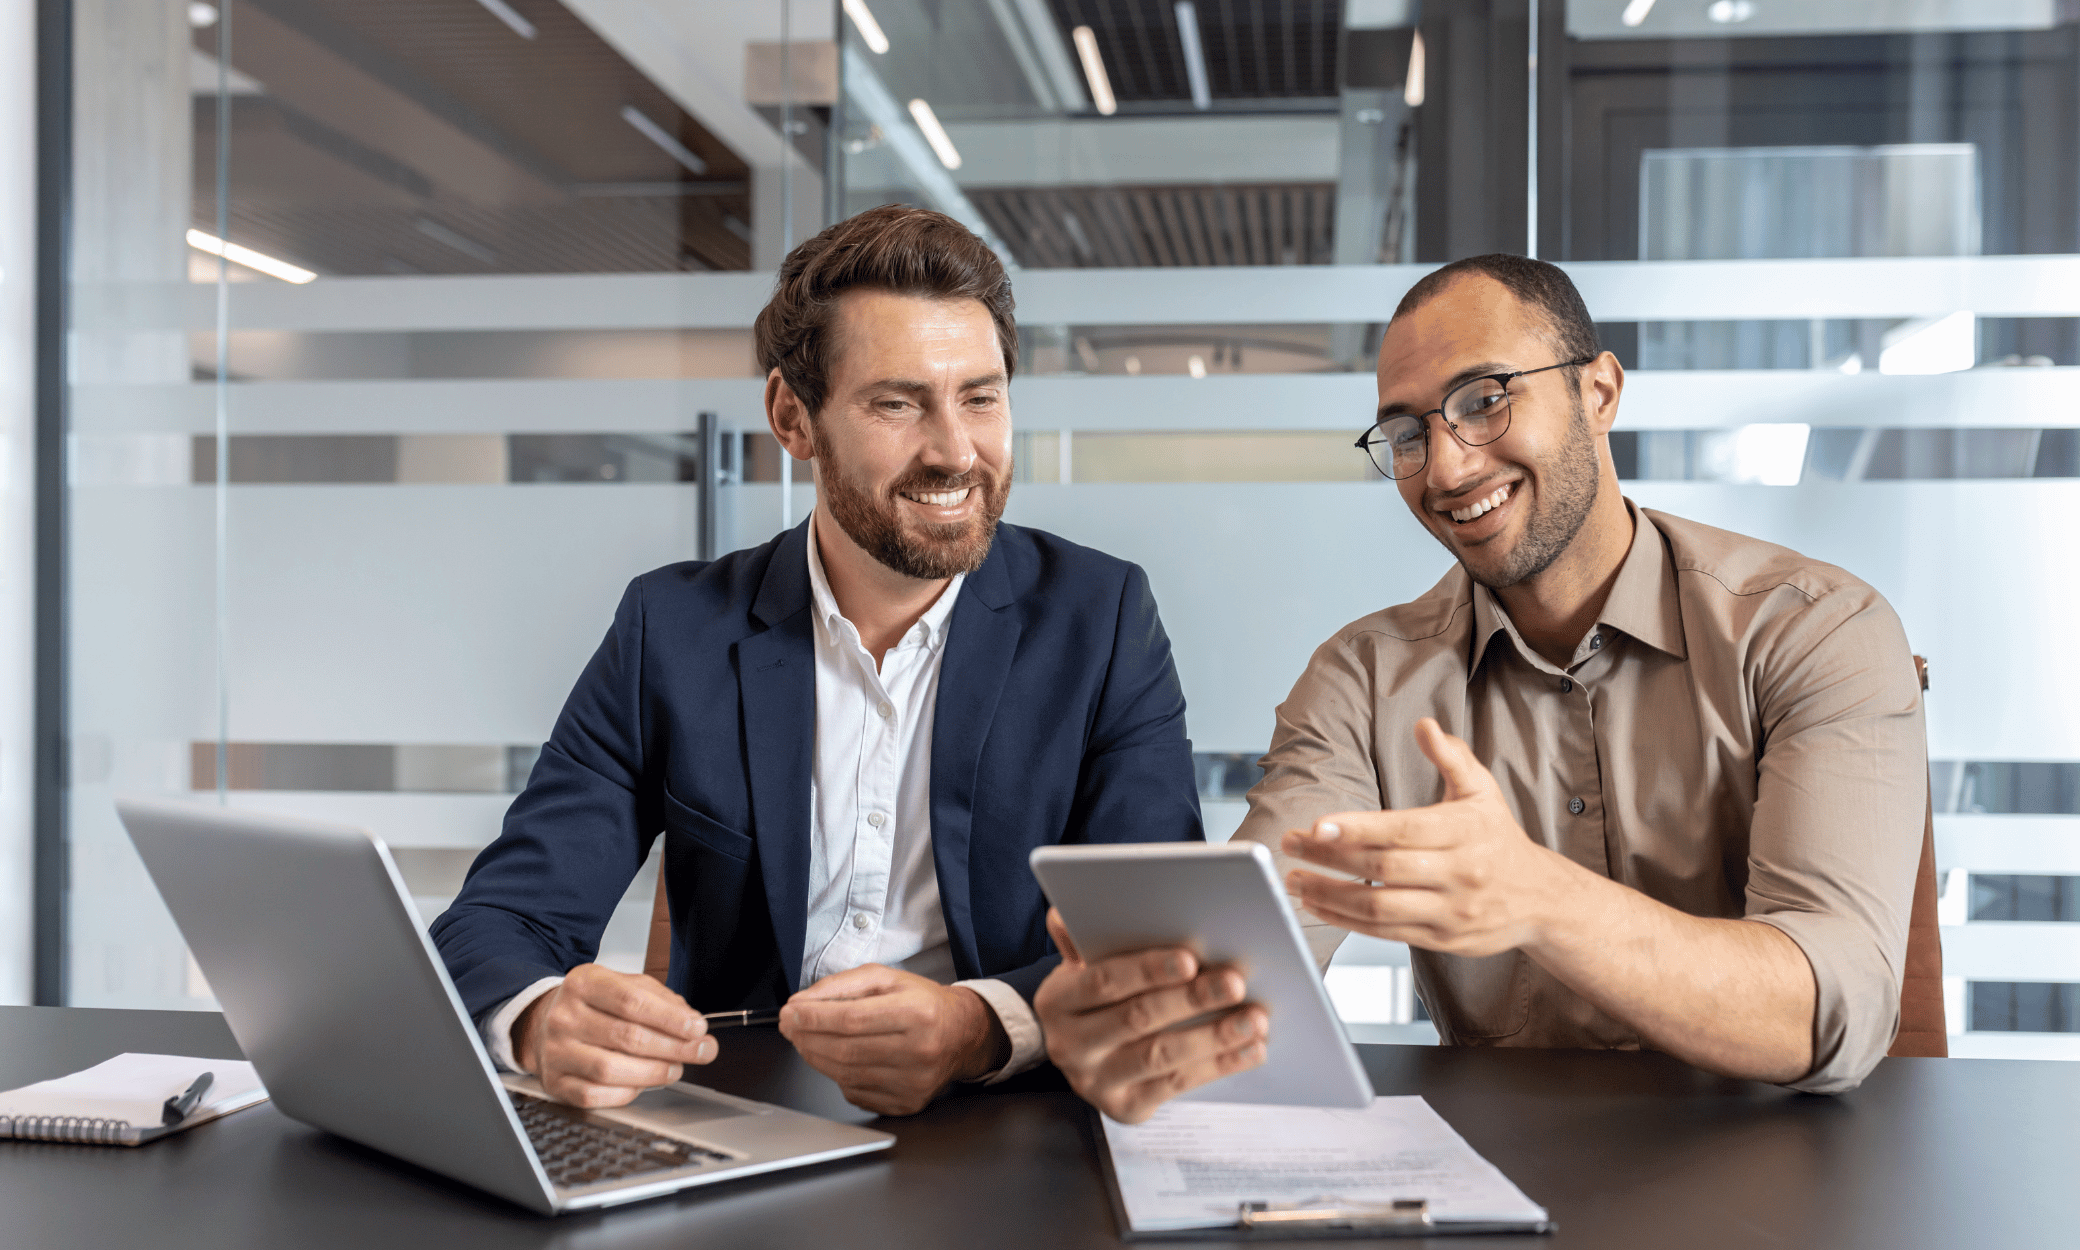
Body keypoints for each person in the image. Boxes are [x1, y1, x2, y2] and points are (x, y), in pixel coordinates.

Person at [1036, 253, 1926, 1123]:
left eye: (1485, 401)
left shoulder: (1814, 629)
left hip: (1778, 1183)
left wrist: (1537, 896)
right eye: (1410, 433)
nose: (1448, 469)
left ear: (1600, 391)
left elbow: (1836, 1008)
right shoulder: (1366, 680)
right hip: (1499, 1183)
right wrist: (1142, 1020)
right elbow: (1257, 947)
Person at [431, 205, 1204, 1116]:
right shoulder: (671, 629)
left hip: (1007, 1124)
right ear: (792, 417)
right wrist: (538, 1018)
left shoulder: (1100, 618)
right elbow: (498, 921)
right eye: (898, 402)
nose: (956, 451)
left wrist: (975, 1026)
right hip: (738, 1117)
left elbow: (1151, 948)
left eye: (981, 397)